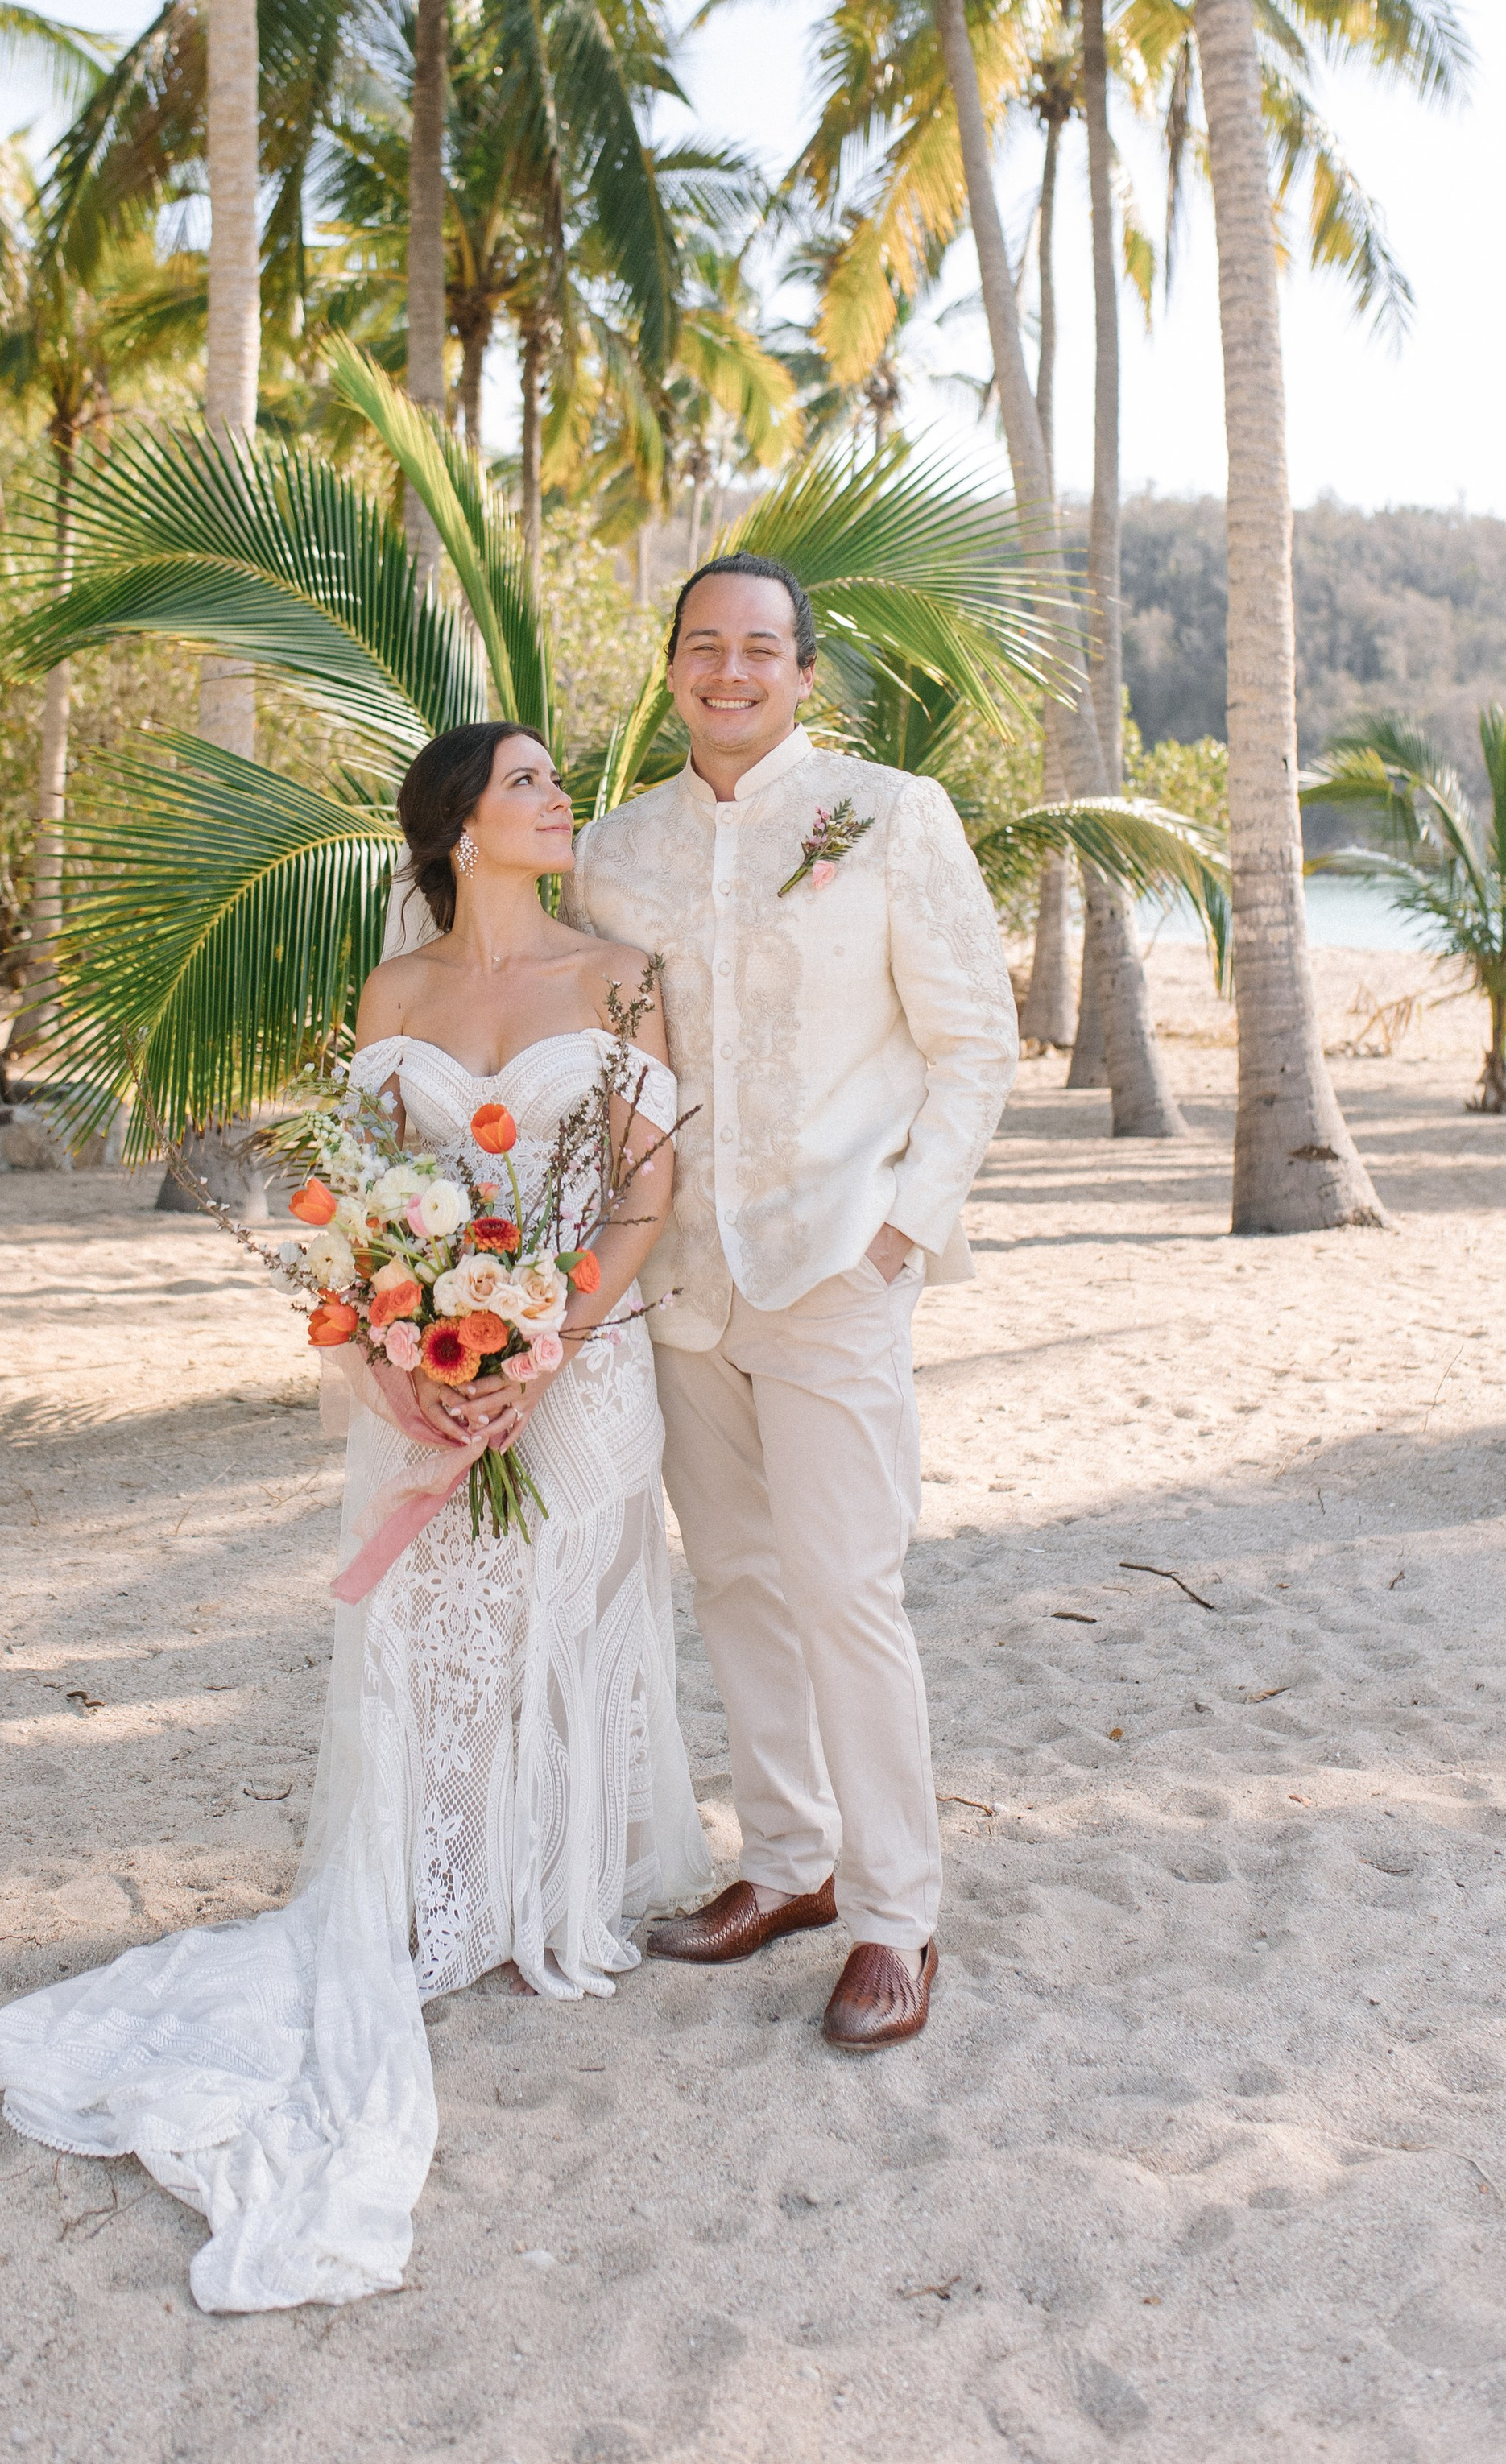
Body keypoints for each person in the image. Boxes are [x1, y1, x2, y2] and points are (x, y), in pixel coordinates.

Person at [0, 722, 708, 2313]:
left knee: (564, 1614)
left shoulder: (630, 972)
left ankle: (541, 1907)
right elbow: (370, 1205)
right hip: (421, 1374)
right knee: (432, 1635)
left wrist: (544, 1339)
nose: (552, 798)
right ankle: (431, 1901)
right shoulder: (390, 1000)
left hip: (579, 1365)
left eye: (549, 783)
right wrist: (416, 1353)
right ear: (452, 827)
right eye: (521, 781)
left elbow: (644, 1187)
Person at [565, 556, 1019, 2050]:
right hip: (677, 1278)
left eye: (762, 649)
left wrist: (899, 1236)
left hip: (833, 1265)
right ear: (673, 667)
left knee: (846, 1589)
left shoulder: (891, 816)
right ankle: (786, 1865)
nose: (731, 671)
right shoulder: (614, 853)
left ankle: (899, 1916)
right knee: (739, 1584)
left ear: (805, 674)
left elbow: (974, 1043)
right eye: (705, 646)